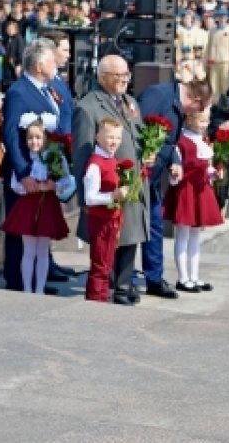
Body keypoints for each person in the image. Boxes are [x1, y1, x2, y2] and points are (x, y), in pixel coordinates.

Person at [73, 55, 151, 305]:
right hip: (107, 186)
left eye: (126, 74)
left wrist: (148, 153)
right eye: (118, 75)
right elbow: (81, 154)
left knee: (132, 233)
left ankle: (124, 285)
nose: (124, 80)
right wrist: (85, 197)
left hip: (133, 182)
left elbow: (137, 136)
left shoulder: (131, 102)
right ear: (103, 77)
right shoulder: (88, 107)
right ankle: (111, 286)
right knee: (110, 240)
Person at [0, 39, 63, 292]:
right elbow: (11, 135)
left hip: (44, 174)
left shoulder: (45, 90)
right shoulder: (19, 92)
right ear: (39, 66)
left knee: (39, 229)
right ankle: (17, 281)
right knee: (21, 229)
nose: (56, 65)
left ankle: (37, 281)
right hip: (25, 176)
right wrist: (24, 173)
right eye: (52, 61)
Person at [137, 77, 207, 294]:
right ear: (195, 99)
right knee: (131, 228)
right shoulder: (159, 95)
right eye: (199, 109)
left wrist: (174, 162)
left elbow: (170, 141)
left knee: (155, 226)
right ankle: (121, 278)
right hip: (138, 173)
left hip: (155, 176)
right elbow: (136, 127)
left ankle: (154, 279)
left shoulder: (177, 105)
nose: (195, 114)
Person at [0, 117, 69, 294]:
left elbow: (66, 180)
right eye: (30, 137)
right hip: (28, 205)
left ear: (45, 137)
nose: (34, 141)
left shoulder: (54, 157)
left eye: (38, 137)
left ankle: (39, 289)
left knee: (43, 250)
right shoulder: (23, 160)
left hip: (47, 205)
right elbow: (15, 183)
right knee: (29, 250)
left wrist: (53, 185)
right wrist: (29, 186)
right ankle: (28, 289)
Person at [166, 107, 224, 292]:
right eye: (201, 121)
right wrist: (175, 174)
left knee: (196, 235)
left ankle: (194, 276)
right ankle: (183, 278)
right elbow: (175, 169)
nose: (205, 125)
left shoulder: (203, 140)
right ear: (189, 120)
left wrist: (214, 173)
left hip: (201, 190)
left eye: (206, 121)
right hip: (187, 190)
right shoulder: (181, 141)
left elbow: (206, 167)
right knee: (183, 234)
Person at [82, 118, 129, 302]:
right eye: (110, 137)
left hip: (111, 220)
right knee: (100, 265)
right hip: (100, 222)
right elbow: (90, 198)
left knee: (107, 264)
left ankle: (101, 299)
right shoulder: (96, 163)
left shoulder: (111, 159)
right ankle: (95, 301)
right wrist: (113, 195)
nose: (114, 141)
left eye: (118, 138)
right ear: (97, 137)